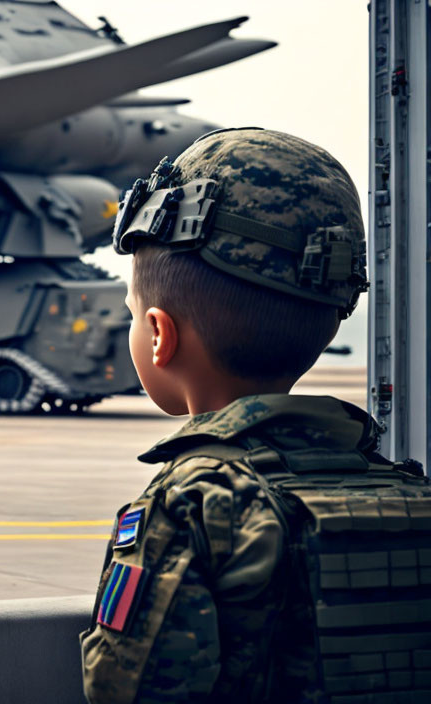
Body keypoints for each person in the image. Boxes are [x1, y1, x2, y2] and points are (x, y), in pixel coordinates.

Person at [80, 128, 431, 702]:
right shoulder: (406, 490)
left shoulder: (194, 504)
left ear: (158, 336)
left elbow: (126, 688)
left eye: (131, 313)